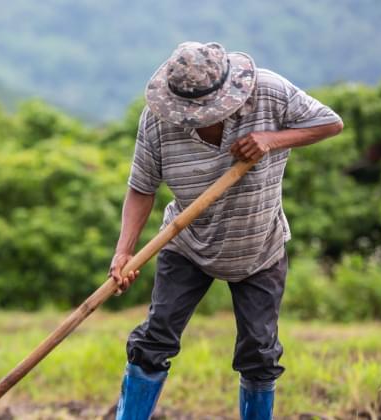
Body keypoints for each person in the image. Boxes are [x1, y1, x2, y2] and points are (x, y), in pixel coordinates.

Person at [110, 41, 344, 420]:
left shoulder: (268, 92)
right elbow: (141, 188)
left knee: (259, 353)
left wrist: (271, 140)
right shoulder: (157, 121)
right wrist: (124, 252)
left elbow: (330, 123)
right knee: (154, 340)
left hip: (259, 247)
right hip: (186, 244)